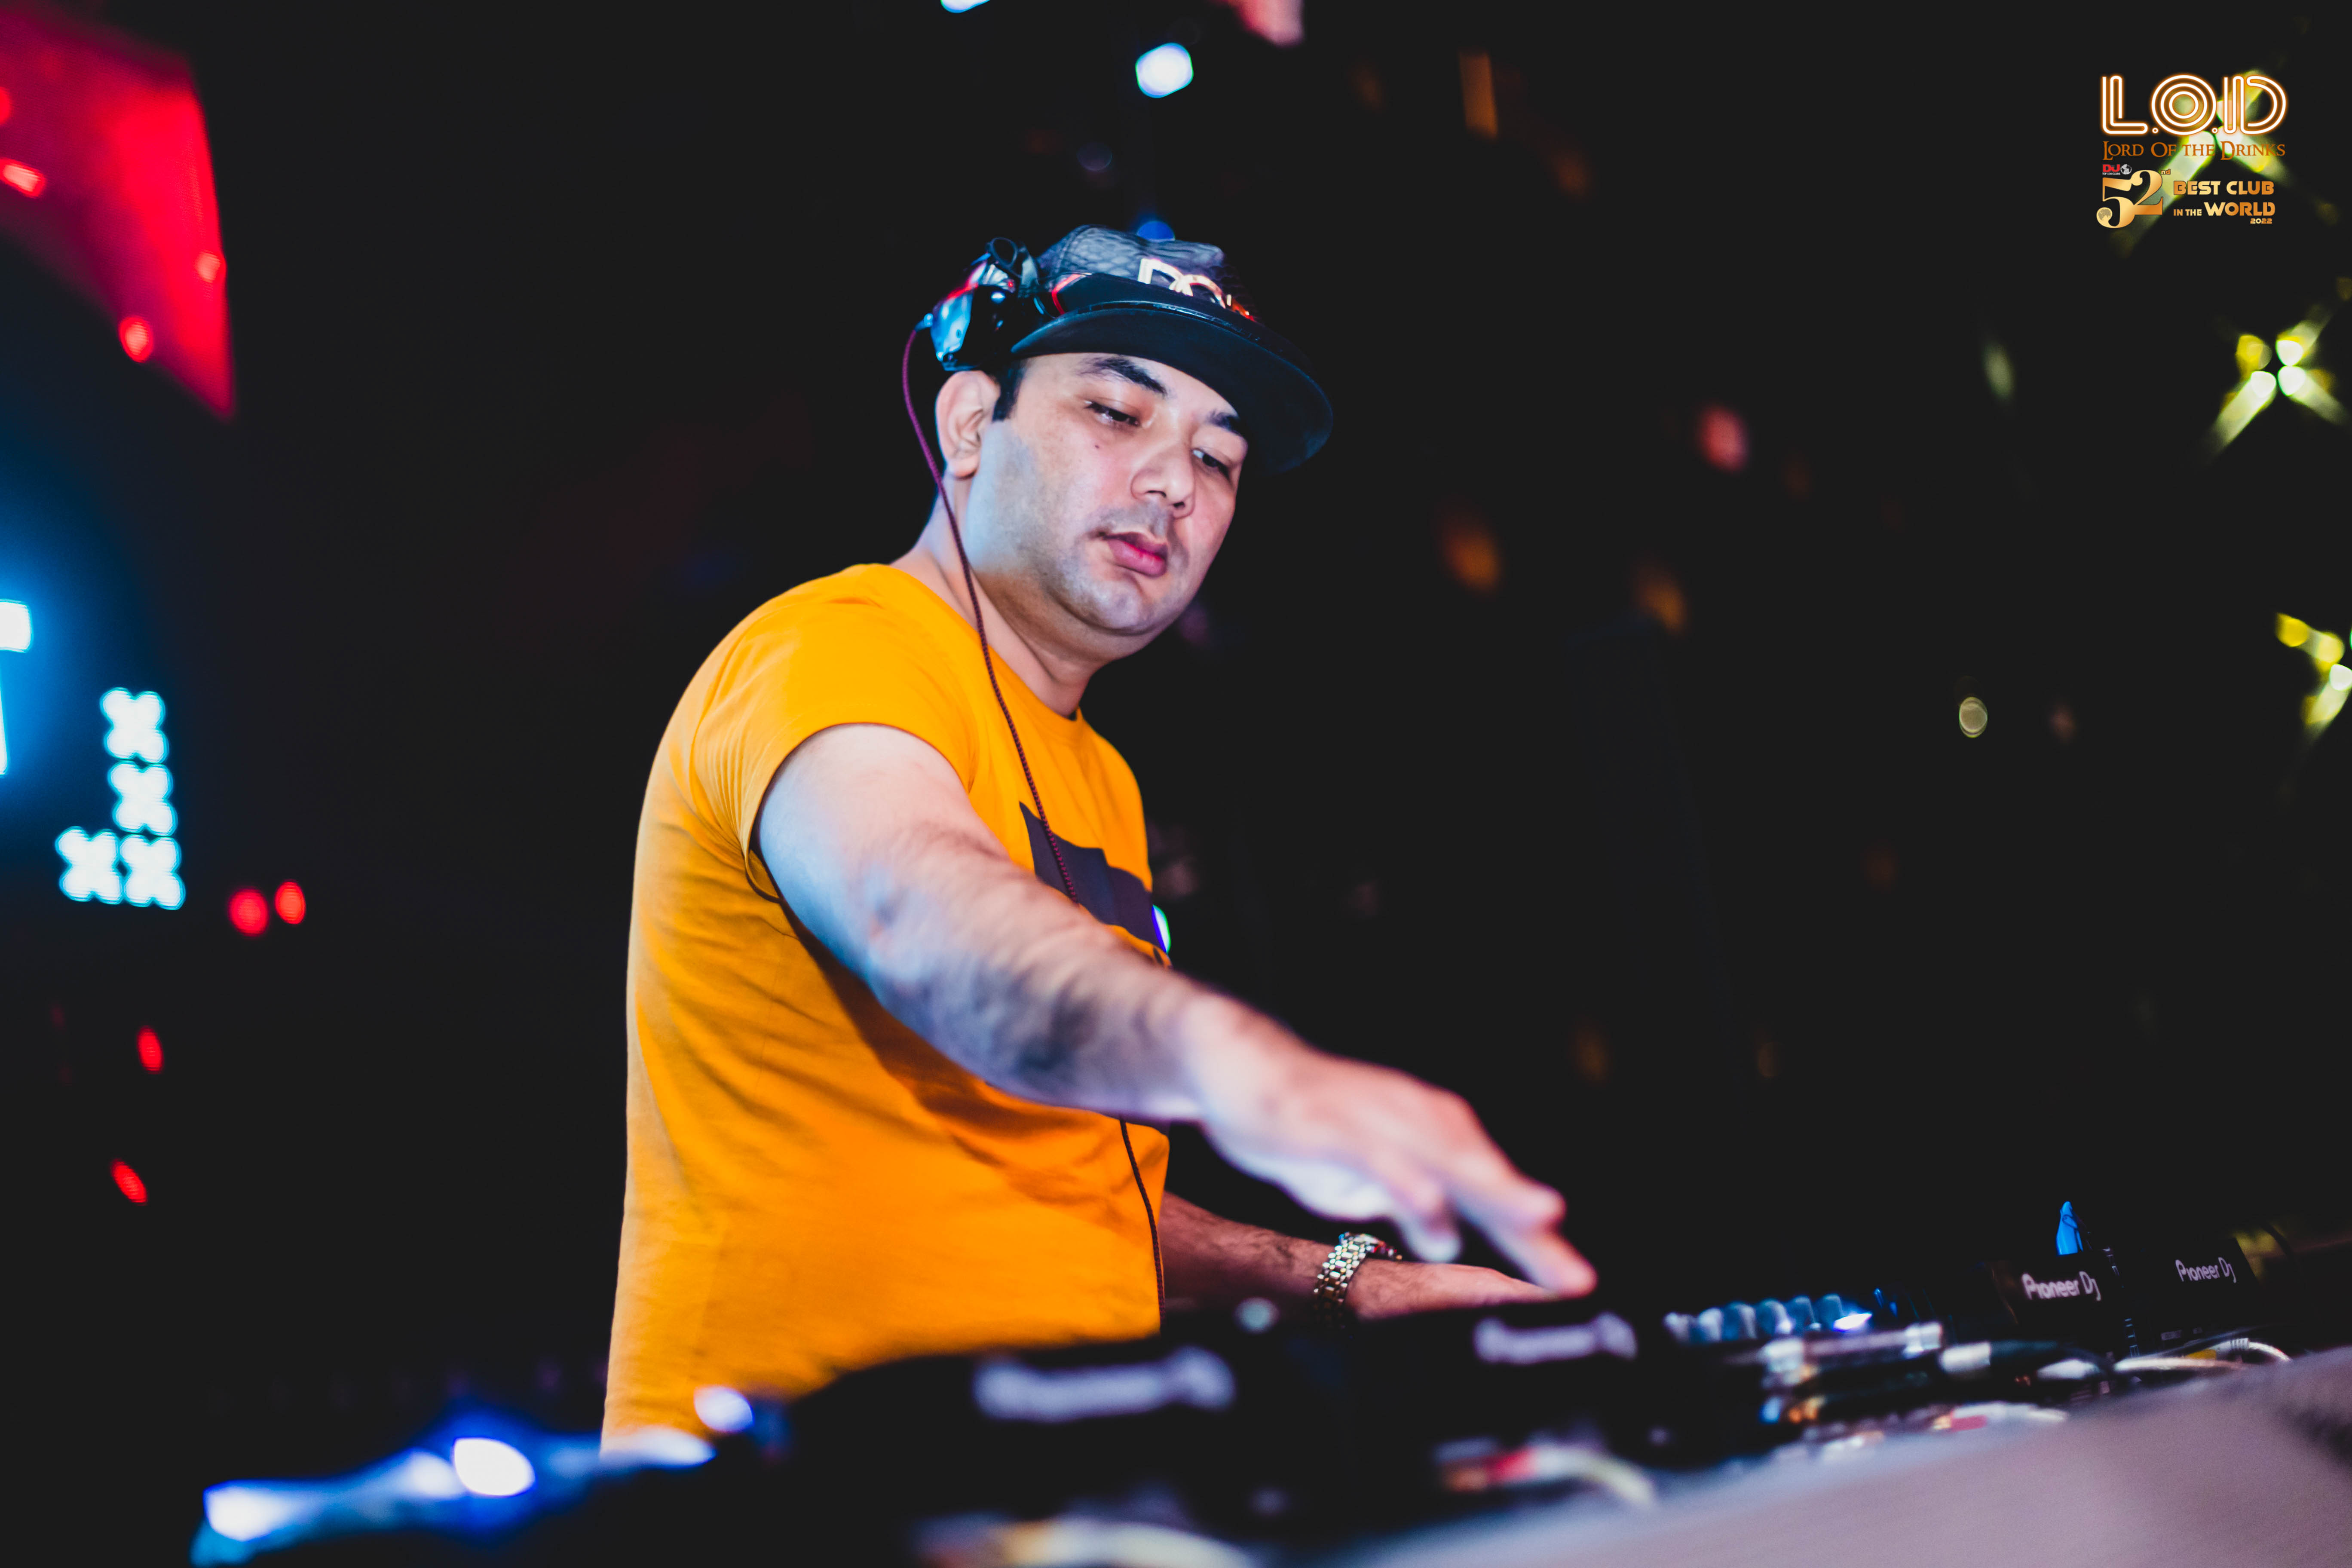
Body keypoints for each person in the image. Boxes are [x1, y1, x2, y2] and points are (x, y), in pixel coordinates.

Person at [603, 226, 1593, 1442]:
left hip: (1050, 1471)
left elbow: (1076, 1194)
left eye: (1218, 458)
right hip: (794, 1485)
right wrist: (1236, 1062)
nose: (1176, 482)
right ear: (970, 424)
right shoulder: (831, 649)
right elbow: (923, 918)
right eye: (1119, 413)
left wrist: (1345, 1281)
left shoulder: (1101, 777)